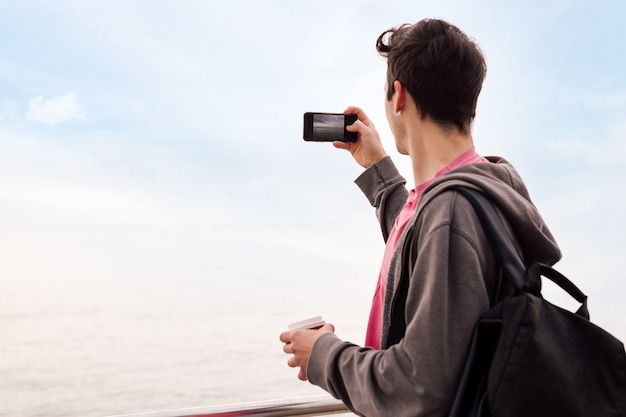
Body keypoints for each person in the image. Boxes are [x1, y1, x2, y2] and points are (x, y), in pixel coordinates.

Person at [280, 18, 561, 417]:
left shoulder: (452, 212)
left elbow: (419, 389)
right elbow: (418, 238)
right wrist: (377, 168)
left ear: (398, 96)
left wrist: (323, 355)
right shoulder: (474, 194)